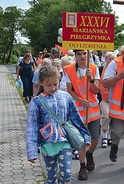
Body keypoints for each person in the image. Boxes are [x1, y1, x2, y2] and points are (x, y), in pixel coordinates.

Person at [26, 65, 91, 184]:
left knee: (67, 175)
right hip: (47, 143)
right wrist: (32, 151)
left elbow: (76, 118)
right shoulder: (36, 102)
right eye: (49, 85)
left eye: (55, 84)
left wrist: (85, 136)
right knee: (51, 178)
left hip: (64, 141)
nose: (53, 88)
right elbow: (31, 127)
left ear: (59, 81)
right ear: (41, 83)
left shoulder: (66, 97)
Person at [63, 50, 101, 180]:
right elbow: (69, 90)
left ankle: (90, 154)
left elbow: (96, 90)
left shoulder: (94, 68)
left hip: (93, 109)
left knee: (95, 138)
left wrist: (91, 79)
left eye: (84, 53)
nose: (82, 56)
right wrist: (80, 101)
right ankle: (82, 166)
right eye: (79, 54)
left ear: (88, 54)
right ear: (75, 56)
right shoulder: (69, 69)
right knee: (81, 141)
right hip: (78, 110)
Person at [99, 51, 117, 148]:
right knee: (105, 116)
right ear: (105, 60)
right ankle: (104, 135)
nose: (111, 61)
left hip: (114, 99)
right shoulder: (101, 69)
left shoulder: (117, 70)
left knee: (113, 118)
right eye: (109, 59)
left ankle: (110, 135)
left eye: (113, 59)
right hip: (104, 98)